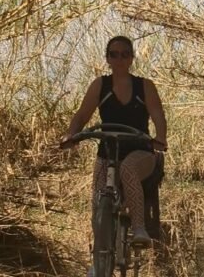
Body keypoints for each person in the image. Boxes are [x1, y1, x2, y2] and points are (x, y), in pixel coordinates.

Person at [61, 35, 168, 247]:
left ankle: (139, 229)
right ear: (107, 58)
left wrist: (160, 139)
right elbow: (82, 115)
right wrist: (71, 135)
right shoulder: (100, 85)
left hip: (141, 151)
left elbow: (158, 115)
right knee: (98, 200)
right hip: (108, 152)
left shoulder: (145, 86)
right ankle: (99, 260)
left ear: (131, 59)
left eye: (124, 54)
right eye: (114, 54)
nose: (119, 59)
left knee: (128, 168)